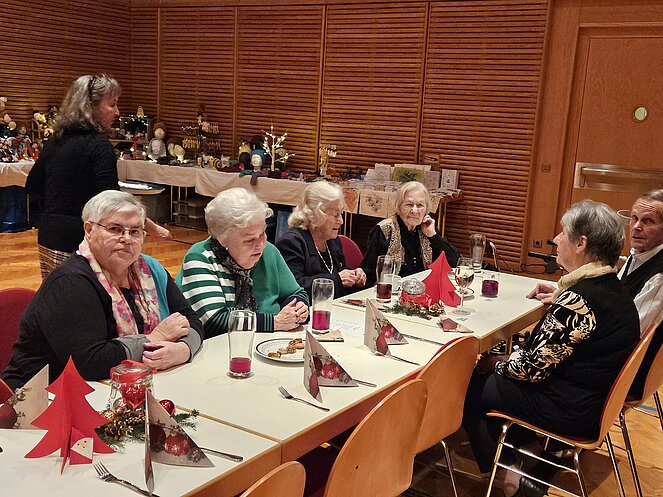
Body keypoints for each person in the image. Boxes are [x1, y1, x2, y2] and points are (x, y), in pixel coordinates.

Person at [462, 200, 639, 497]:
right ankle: (531, 453)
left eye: (563, 233)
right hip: (591, 401)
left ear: (581, 243)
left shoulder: (579, 300)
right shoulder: (612, 289)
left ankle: (510, 474)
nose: (556, 240)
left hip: (571, 409)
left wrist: (496, 363)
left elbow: (530, 371)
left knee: (470, 385)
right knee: (495, 376)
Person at [1, 191, 202, 390]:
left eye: (135, 231)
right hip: (41, 395)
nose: (126, 238)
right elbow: (90, 362)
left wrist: (183, 349)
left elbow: (192, 320)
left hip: (123, 387)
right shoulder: (69, 282)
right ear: (89, 230)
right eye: (115, 229)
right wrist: (155, 338)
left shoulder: (150, 270)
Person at [26, 74, 171, 279]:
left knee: (55, 295)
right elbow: (113, 201)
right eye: (112, 104)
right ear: (90, 107)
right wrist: (151, 226)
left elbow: (32, 185)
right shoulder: (99, 146)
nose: (117, 112)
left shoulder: (56, 140)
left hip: (49, 236)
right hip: (79, 243)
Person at [177, 187, 309, 338]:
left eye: (263, 233)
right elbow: (215, 321)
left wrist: (298, 308)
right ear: (223, 239)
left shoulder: (269, 252)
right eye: (249, 240)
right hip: (221, 347)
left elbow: (296, 293)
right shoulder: (200, 258)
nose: (261, 244)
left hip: (271, 342)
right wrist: (274, 322)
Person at [276, 182, 366, 299]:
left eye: (341, 214)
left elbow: (338, 272)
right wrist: (337, 280)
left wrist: (355, 275)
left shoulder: (332, 240)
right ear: (316, 214)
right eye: (336, 215)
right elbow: (293, 288)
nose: (341, 221)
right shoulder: (291, 243)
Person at [360, 181, 460, 286]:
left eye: (420, 205)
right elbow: (368, 273)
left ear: (426, 209)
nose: (414, 210)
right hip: (391, 291)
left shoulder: (428, 228)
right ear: (398, 208)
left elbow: (455, 263)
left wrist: (433, 236)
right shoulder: (384, 230)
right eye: (409, 205)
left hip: (423, 290)